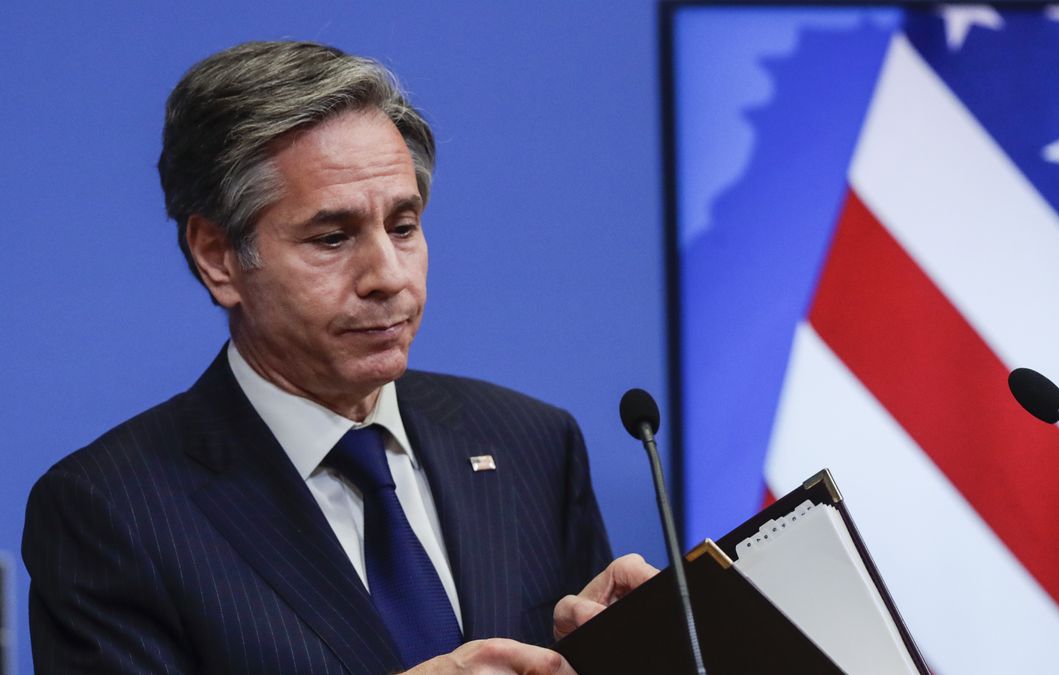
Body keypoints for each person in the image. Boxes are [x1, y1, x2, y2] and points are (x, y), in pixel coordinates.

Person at [22, 40, 656, 674]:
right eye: (331, 238)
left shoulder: (532, 445)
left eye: (403, 227)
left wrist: (625, 652)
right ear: (217, 256)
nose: (389, 276)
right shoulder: (109, 512)